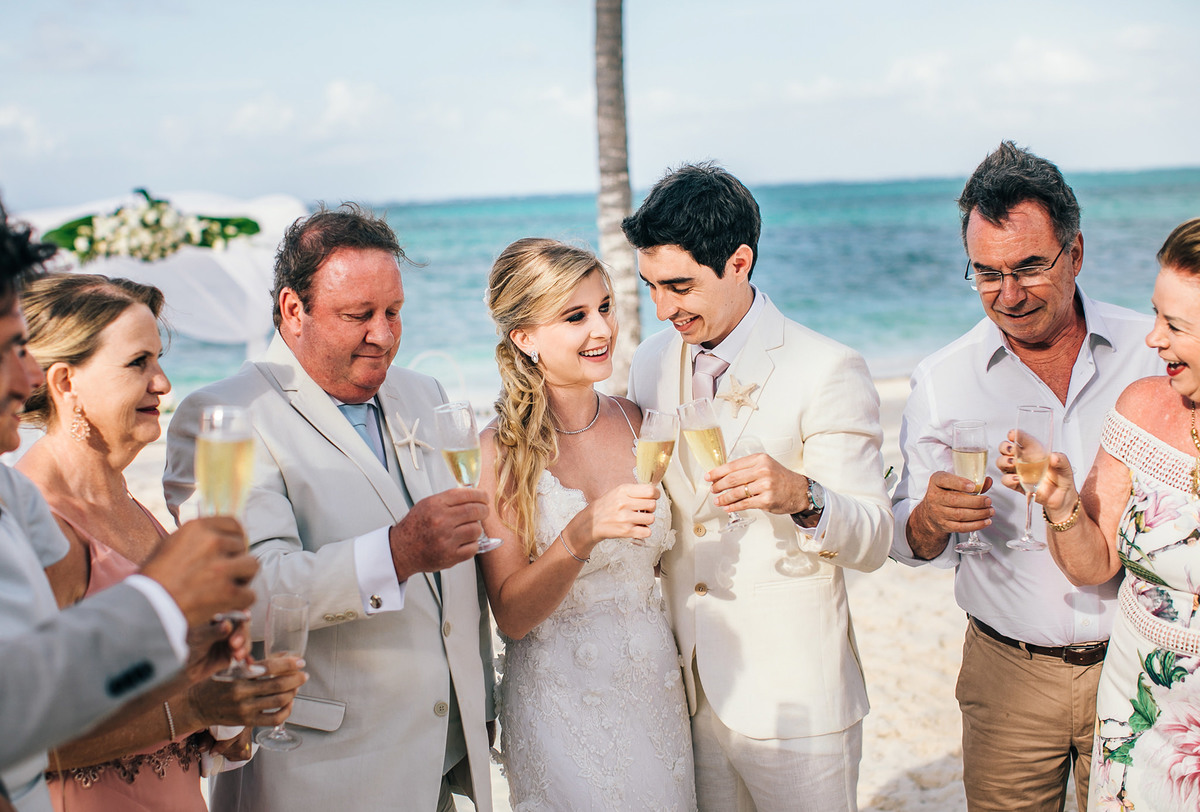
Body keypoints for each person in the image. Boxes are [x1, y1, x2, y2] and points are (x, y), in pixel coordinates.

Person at [164, 204, 494, 812]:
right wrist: (396, 553)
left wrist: (479, 710)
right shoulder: (226, 415)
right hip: (322, 776)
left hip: (441, 767)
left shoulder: (424, 393)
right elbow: (247, 593)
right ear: (294, 310)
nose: (384, 335)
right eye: (359, 315)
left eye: (394, 312)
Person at [890, 141, 1161, 811]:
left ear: (1076, 253)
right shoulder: (941, 379)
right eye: (986, 273)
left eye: (1029, 267)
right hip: (1007, 674)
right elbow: (907, 542)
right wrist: (928, 518)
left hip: (1141, 662)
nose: (1008, 295)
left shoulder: (1152, 352)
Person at [624, 162, 893, 811]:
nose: (662, 309)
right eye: (651, 287)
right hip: (690, 692)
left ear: (739, 262)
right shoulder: (651, 360)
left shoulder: (827, 368)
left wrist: (804, 496)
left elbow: (875, 539)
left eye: (680, 286)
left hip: (798, 701)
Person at [0, 202, 258, 811]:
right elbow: (29, 729)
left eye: (160, 360)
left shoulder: (134, 506)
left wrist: (228, 711)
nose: (163, 383)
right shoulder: (39, 520)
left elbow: (163, 693)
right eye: (138, 363)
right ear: (66, 384)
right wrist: (192, 707)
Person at [479, 238, 696, 809]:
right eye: (575, 316)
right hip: (558, 703)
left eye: (604, 307)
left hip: (654, 690)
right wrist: (582, 531)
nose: (602, 329)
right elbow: (512, 616)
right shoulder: (499, 452)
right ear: (524, 338)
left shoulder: (639, 423)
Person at [1000, 218, 1200, 812]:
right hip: (1137, 721)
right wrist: (1061, 504)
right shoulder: (1141, 409)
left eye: (1175, 326)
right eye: (1155, 315)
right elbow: (1094, 566)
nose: (1153, 339)